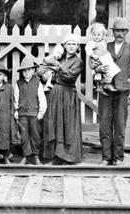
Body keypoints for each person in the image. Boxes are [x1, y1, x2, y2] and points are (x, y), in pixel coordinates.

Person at [91, 17, 130, 166]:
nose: (120, 33)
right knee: (105, 124)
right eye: (117, 30)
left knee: (119, 125)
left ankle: (118, 158)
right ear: (112, 32)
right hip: (106, 91)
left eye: (123, 31)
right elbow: (94, 67)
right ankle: (106, 157)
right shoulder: (104, 46)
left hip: (122, 92)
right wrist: (97, 70)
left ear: (127, 32)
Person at [43, 34, 84, 165]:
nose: (71, 46)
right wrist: (47, 74)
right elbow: (48, 73)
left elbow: (70, 76)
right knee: (55, 122)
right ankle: (54, 155)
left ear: (77, 47)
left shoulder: (78, 62)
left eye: (74, 44)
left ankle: (67, 156)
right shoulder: (60, 58)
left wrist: (57, 68)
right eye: (68, 44)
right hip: (55, 94)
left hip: (68, 95)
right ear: (64, 46)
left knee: (67, 124)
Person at [14, 56, 47, 165]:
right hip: (22, 114)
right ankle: (26, 156)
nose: (27, 72)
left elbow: (42, 99)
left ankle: (36, 156)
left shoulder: (37, 82)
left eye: (29, 70)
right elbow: (16, 98)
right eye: (24, 70)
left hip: (34, 114)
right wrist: (16, 111)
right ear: (22, 72)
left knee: (35, 135)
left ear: (33, 70)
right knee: (24, 135)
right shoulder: (18, 83)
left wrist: (41, 113)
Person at [85, 22, 120, 95]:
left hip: (105, 58)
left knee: (112, 70)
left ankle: (105, 85)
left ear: (103, 35)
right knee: (105, 70)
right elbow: (87, 48)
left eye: (98, 35)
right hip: (99, 59)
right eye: (94, 35)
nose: (96, 37)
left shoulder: (104, 41)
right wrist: (92, 54)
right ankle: (102, 86)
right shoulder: (92, 43)